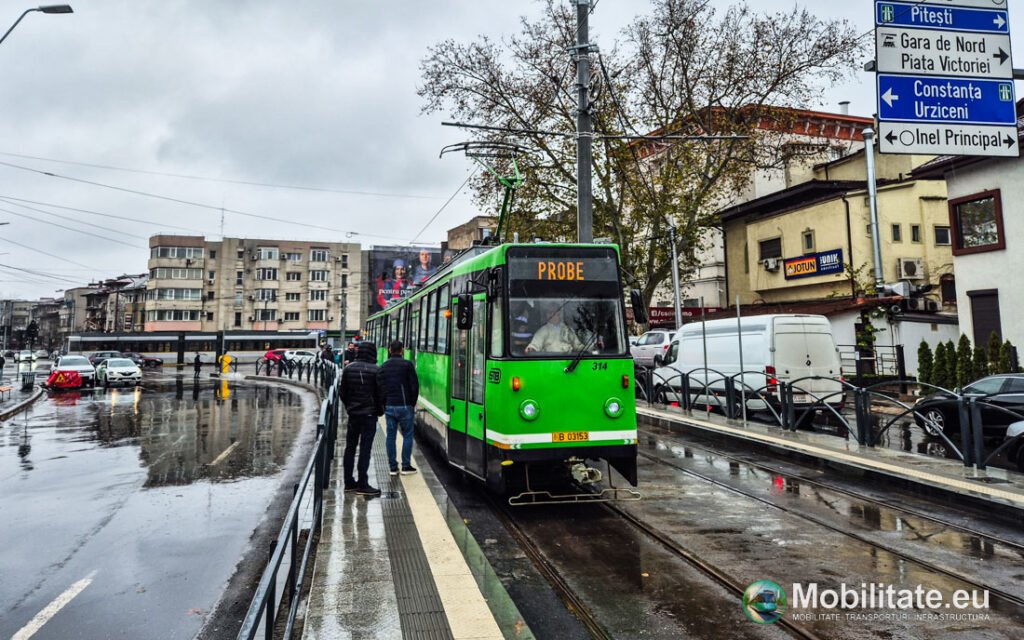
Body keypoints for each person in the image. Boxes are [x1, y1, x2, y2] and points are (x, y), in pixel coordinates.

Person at [340, 341, 384, 496]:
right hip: (369, 415)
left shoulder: (348, 368)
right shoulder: (376, 370)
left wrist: (350, 407)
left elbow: (342, 392)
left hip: (353, 415)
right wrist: (379, 411)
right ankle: (363, 483)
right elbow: (381, 395)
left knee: (350, 448)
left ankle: (348, 482)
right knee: (365, 449)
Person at [377, 340, 420, 476]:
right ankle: (406, 466)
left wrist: (383, 404)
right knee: (408, 435)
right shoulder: (408, 365)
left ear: (390, 350)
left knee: (391, 436)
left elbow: (380, 388)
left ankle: (392, 467)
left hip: (390, 406)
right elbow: (414, 386)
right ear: (402, 350)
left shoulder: (383, 366)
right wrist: (412, 403)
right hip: (405, 406)